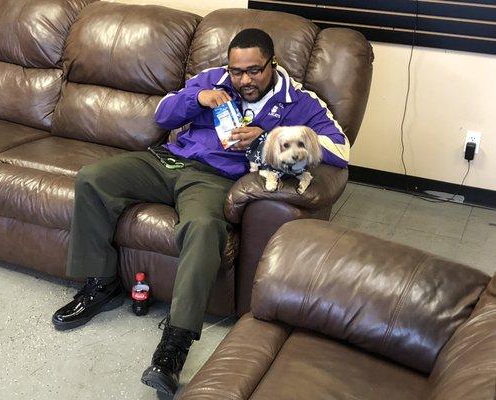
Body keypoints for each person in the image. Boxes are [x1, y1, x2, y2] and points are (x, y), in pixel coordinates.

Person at [51, 28, 349, 395]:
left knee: (205, 227)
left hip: (214, 180)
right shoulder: (213, 80)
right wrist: (199, 98)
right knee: (94, 179)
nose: (244, 80)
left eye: (254, 70)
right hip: (171, 162)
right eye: (237, 71)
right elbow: (163, 114)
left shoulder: (297, 101)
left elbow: (340, 148)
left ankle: (175, 343)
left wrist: (267, 136)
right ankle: (101, 283)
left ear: (272, 64)